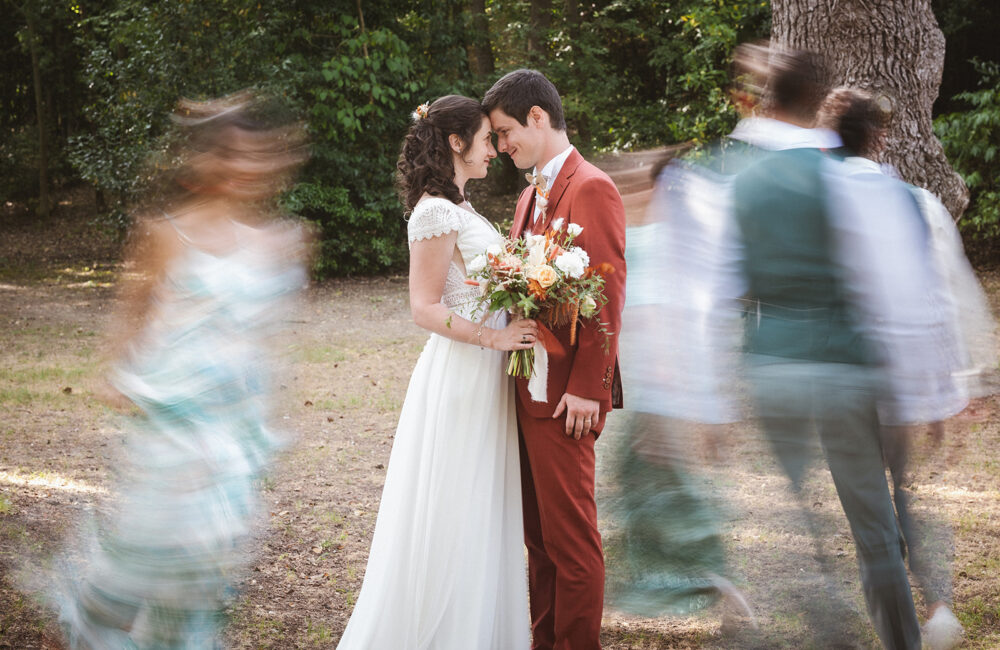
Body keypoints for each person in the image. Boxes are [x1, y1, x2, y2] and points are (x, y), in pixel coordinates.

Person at [52, 93, 309, 648]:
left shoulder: (285, 241)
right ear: (209, 163)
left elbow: (265, 344)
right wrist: (123, 378)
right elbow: (131, 316)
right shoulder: (167, 233)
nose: (249, 168)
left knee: (199, 577)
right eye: (235, 156)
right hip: (171, 430)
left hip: (233, 439)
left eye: (258, 156)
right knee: (131, 570)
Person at [730, 50, 922, 649]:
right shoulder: (848, 178)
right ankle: (898, 640)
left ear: (769, 100)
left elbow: (728, 283)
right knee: (873, 524)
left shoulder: (743, 176)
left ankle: (824, 615)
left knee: (797, 519)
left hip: (773, 365)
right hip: (843, 366)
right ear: (821, 106)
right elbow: (888, 284)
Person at [335, 95, 535, 649]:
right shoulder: (435, 211)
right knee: (457, 507)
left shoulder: (462, 208)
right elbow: (423, 306)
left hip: (485, 376)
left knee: (482, 507)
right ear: (455, 142)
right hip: (462, 375)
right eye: (486, 138)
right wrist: (495, 336)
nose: (495, 149)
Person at [818, 86, 991, 650]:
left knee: (874, 518)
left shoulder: (815, 199)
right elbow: (947, 295)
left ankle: (904, 631)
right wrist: (954, 386)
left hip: (843, 378)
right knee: (903, 493)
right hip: (902, 377)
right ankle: (936, 605)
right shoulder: (917, 202)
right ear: (880, 136)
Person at [483, 69, 627, 650]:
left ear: (537, 117)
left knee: (571, 544)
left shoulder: (590, 187)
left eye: (504, 131)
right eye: (495, 137)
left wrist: (591, 387)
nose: (500, 146)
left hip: (569, 398)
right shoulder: (528, 196)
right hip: (528, 392)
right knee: (538, 542)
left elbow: (608, 297)